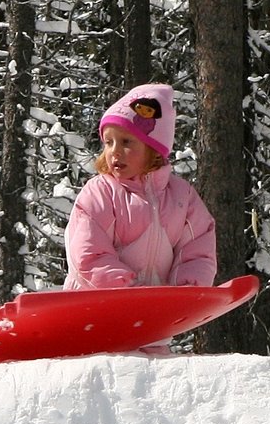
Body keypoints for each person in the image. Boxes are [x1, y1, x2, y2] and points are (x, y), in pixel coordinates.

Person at [65, 82, 217, 292]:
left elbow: (197, 248)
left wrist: (186, 290)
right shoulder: (101, 193)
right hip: (98, 303)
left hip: (156, 308)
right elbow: (89, 253)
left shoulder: (182, 197)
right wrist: (129, 289)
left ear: (153, 148)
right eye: (109, 142)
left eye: (126, 142)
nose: (115, 151)